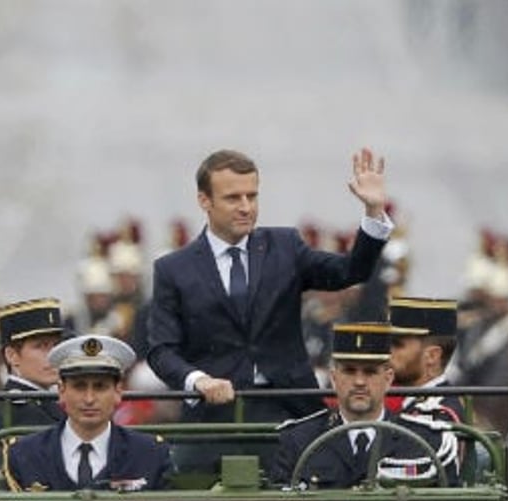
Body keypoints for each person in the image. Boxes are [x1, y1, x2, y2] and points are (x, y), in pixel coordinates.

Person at [147, 147, 393, 424]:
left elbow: (351, 271)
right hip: (213, 416)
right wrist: (198, 381)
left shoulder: (285, 247)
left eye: (252, 196)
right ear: (205, 200)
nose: (246, 207)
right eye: (233, 198)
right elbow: (161, 350)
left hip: (291, 410)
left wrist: (373, 211)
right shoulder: (173, 269)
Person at [268, 323, 456, 489]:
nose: (359, 381)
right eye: (349, 371)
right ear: (334, 378)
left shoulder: (423, 441)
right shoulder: (298, 441)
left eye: (370, 372)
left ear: (388, 379)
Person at [3, 334, 172, 497]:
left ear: (118, 391)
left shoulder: (150, 454)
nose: (89, 399)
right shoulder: (24, 454)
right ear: (62, 391)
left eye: (100, 387)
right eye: (79, 387)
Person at [389, 296, 467, 422]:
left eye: (398, 345)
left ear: (432, 356)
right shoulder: (408, 402)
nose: (387, 353)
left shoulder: (438, 413)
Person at [0, 298, 68, 427]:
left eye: (57, 345)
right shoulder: (19, 410)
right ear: (12, 356)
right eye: (41, 346)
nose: (53, 355)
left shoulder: (45, 402)